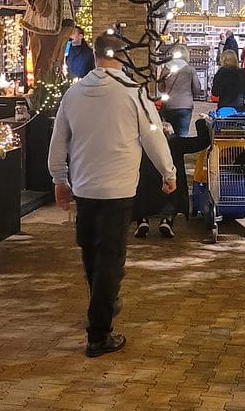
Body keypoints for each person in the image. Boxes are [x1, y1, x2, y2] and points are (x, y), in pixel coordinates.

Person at [48, 33, 176, 357]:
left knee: (91, 251)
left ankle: (103, 303)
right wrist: (168, 172)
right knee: (110, 257)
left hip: (85, 187)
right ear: (122, 57)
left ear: (94, 57)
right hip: (118, 188)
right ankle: (99, 331)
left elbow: (58, 140)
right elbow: (153, 135)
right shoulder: (133, 94)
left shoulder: (72, 94)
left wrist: (59, 179)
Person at [135, 116, 212, 238]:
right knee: (173, 196)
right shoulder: (176, 142)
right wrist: (201, 123)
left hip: (146, 183)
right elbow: (201, 142)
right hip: (170, 181)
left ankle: (142, 221)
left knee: (141, 191)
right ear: (171, 131)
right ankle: (167, 220)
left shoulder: (144, 143)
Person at [158, 45, 202, 136]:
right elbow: (197, 89)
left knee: (168, 134)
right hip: (185, 106)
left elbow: (160, 88)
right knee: (182, 135)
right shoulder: (190, 70)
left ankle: (170, 150)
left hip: (169, 105)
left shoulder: (166, 68)